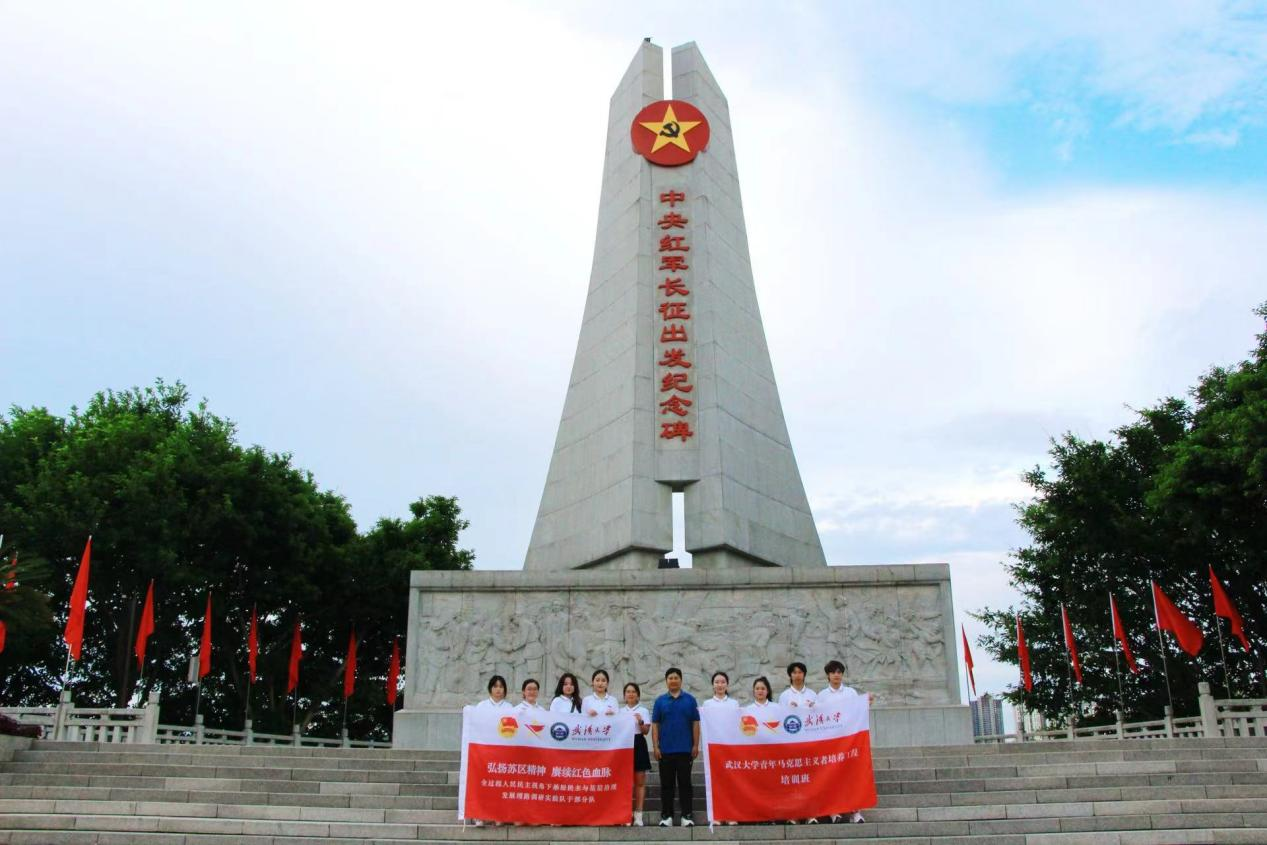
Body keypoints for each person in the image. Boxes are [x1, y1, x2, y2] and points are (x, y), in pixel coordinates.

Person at [818, 659, 870, 824]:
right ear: (828, 675)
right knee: (833, 777)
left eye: (839, 672)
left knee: (851, 777)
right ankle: (834, 811)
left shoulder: (851, 693)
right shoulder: (822, 696)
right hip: (831, 743)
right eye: (833, 672)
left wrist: (867, 702)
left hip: (849, 742)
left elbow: (858, 712)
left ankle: (855, 812)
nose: (836, 675)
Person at [651, 667, 700, 827]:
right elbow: (655, 725)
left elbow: (695, 723)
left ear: (681, 680)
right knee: (667, 785)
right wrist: (655, 747)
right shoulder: (660, 701)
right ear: (666, 681)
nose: (673, 680)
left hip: (685, 750)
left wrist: (695, 745)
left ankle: (687, 815)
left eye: (676, 678)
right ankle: (667, 816)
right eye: (670, 678)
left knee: (685, 784)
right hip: (665, 751)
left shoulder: (690, 700)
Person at [777, 663, 817, 824]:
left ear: (804, 674)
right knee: (793, 780)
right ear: (790, 675)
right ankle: (792, 814)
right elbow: (779, 718)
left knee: (810, 780)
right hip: (791, 744)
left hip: (809, 742)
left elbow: (820, 716)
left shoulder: (813, 694)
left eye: (800, 672)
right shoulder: (784, 696)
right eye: (794, 672)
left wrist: (815, 708)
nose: (797, 675)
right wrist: (788, 709)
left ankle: (810, 814)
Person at [471, 676, 512, 827]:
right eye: (495, 686)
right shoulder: (481, 706)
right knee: (483, 784)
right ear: (490, 689)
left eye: (501, 686)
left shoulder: (509, 707)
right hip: (484, 752)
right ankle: (479, 815)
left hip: (502, 753)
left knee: (499, 785)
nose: (498, 689)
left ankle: (497, 814)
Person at [620, 682, 652, 827]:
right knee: (624, 782)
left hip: (638, 743)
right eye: (628, 692)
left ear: (638, 695)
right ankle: (625, 813)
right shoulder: (620, 711)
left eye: (633, 691)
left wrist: (640, 721)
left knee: (639, 781)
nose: (631, 694)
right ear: (624, 695)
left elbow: (646, 731)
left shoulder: (643, 710)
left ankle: (638, 814)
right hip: (624, 745)